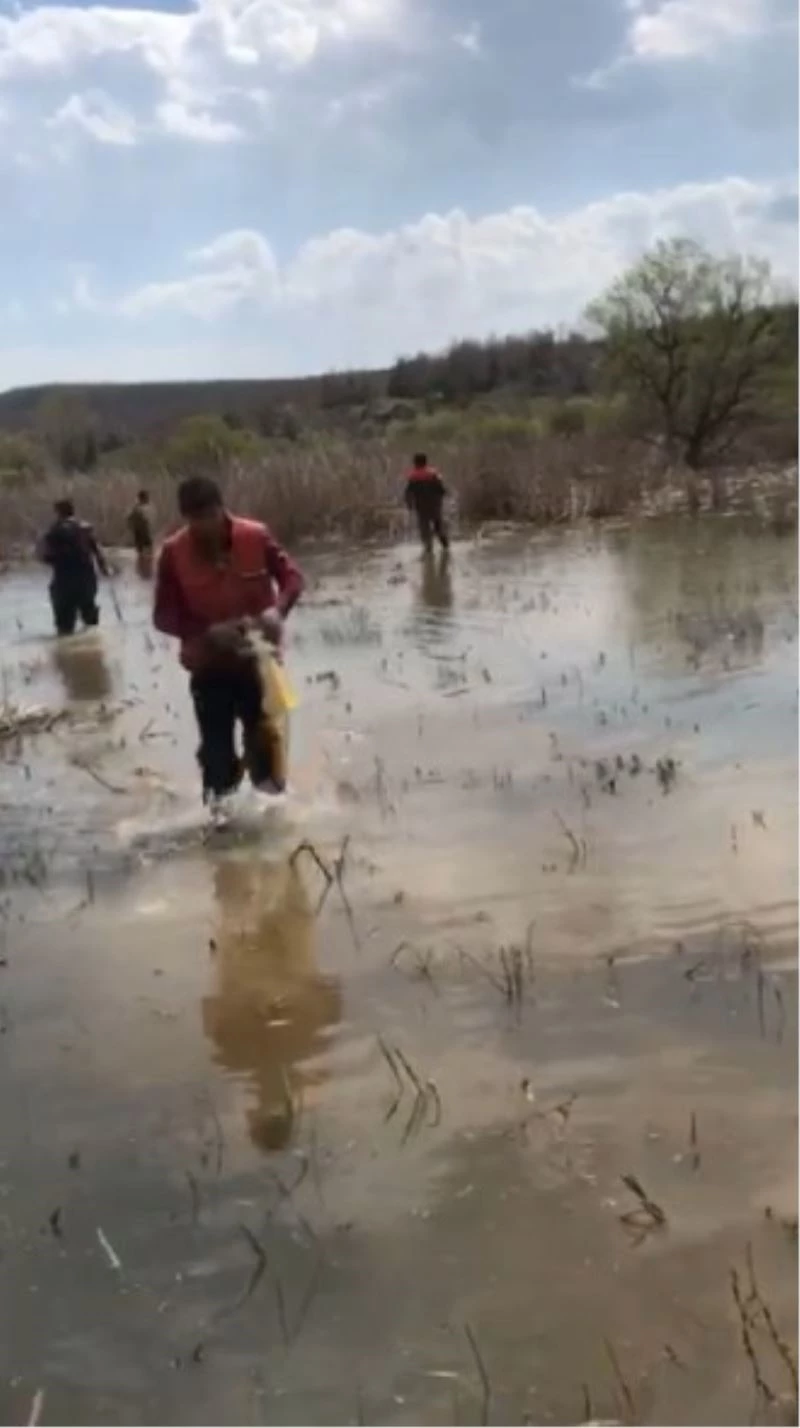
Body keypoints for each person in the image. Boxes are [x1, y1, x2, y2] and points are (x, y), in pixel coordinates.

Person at [153, 476, 304, 813]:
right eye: (195, 521)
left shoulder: (256, 536)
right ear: (185, 518)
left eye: (209, 517)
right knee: (217, 758)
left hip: (258, 664)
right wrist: (207, 633)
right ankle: (220, 829)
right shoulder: (173, 553)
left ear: (222, 509)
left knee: (265, 747)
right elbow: (163, 616)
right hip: (210, 667)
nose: (204, 527)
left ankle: (272, 827)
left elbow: (293, 579)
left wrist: (277, 612)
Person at [39, 498, 109, 637]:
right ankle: (94, 653)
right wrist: (104, 569)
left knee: (64, 627)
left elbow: (45, 556)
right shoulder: (86, 528)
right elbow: (98, 553)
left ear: (58, 512)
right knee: (90, 621)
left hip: (64, 581)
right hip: (86, 579)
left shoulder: (54, 531)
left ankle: (67, 654)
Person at [404, 451, 449, 555]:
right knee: (439, 526)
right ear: (426, 462)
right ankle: (446, 547)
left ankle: (428, 549)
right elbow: (441, 489)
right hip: (435, 505)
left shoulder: (413, 477)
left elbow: (408, 492)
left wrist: (409, 504)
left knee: (424, 528)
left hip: (421, 506)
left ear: (415, 463)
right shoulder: (433, 474)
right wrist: (441, 498)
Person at [127, 490, 154, 578]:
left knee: (141, 552)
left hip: (140, 532)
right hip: (145, 532)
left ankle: (143, 570)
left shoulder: (137, 508)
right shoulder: (146, 507)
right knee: (147, 551)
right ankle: (146, 570)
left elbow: (129, 519)